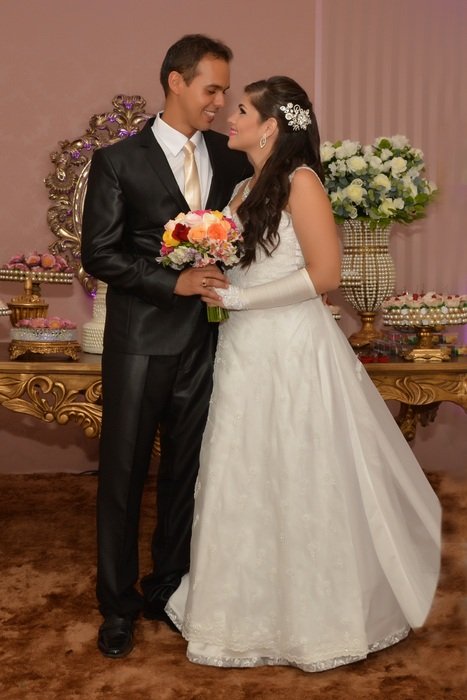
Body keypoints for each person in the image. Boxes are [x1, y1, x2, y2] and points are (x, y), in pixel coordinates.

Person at [166, 76, 442, 672]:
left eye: (240, 109)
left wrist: (241, 301)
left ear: (270, 125)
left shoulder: (302, 181)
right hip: (242, 351)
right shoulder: (241, 187)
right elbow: (241, 268)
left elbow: (325, 275)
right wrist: (208, 271)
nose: (230, 117)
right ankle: (237, 612)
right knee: (241, 469)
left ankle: (316, 618)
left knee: (298, 468)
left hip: (291, 349)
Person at [80, 34, 252, 659]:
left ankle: (169, 589)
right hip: (140, 341)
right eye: (213, 89)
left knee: (189, 474)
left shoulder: (232, 159)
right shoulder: (118, 161)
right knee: (122, 476)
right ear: (176, 81)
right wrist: (171, 280)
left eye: (226, 91)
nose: (220, 102)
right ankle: (118, 604)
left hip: (209, 343)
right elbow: (99, 253)